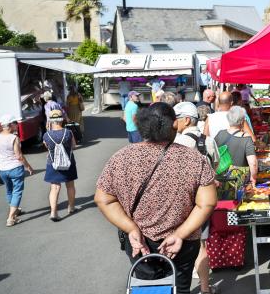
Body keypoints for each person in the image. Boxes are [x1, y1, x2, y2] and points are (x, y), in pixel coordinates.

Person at [95, 103, 217, 294]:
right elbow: (207, 203)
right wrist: (179, 234)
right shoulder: (193, 159)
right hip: (183, 241)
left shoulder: (121, 158)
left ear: (142, 126)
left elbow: (103, 199)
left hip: (139, 240)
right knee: (181, 287)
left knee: (148, 288)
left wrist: (131, 228)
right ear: (174, 125)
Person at [173, 102, 220, 294]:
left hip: (179, 202)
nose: (174, 123)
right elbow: (215, 166)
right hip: (202, 202)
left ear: (185, 120)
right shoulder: (208, 140)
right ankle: (205, 288)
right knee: (201, 245)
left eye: (176, 119)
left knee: (176, 242)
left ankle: (177, 285)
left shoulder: (175, 144)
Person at [0, 114, 33, 227]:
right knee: (17, 192)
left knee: (9, 190)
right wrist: (28, 166)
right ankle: (10, 218)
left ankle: (15, 211)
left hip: (3, 169)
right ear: (10, 125)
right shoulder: (14, 138)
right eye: (15, 123)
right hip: (15, 168)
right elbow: (19, 156)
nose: (17, 124)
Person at [214, 106, 258, 198]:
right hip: (239, 181)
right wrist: (253, 178)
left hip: (221, 178)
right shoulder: (246, 138)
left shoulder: (220, 134)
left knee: (223, 205)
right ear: (242, 121)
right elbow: (253, 163)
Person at [43, 110, 79, 222]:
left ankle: (53, 212)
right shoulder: (68, 133)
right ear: (62, 119)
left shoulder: (46, 135)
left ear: (50, 120)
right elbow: (74, 146)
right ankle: (71, 207)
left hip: (52, 163)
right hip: (68, 162)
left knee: (55, 188)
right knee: (70, 185)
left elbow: (47, 147)